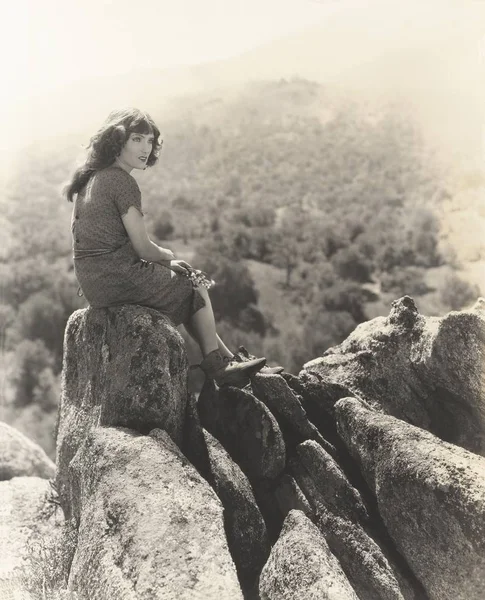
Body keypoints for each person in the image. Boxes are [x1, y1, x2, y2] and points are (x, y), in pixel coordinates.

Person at [63, 107, 271, 386]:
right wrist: (167, 256)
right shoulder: (122, 182)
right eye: (137, 139)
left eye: (149, 141)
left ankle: (230, 361)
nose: (145, 148)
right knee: (194, 284)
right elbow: (143, 249)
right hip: (118, 278)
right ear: (117, 140)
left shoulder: (90, 179)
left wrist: (164, 264)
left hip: (94, 283)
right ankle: (220, 370)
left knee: (185, 293)